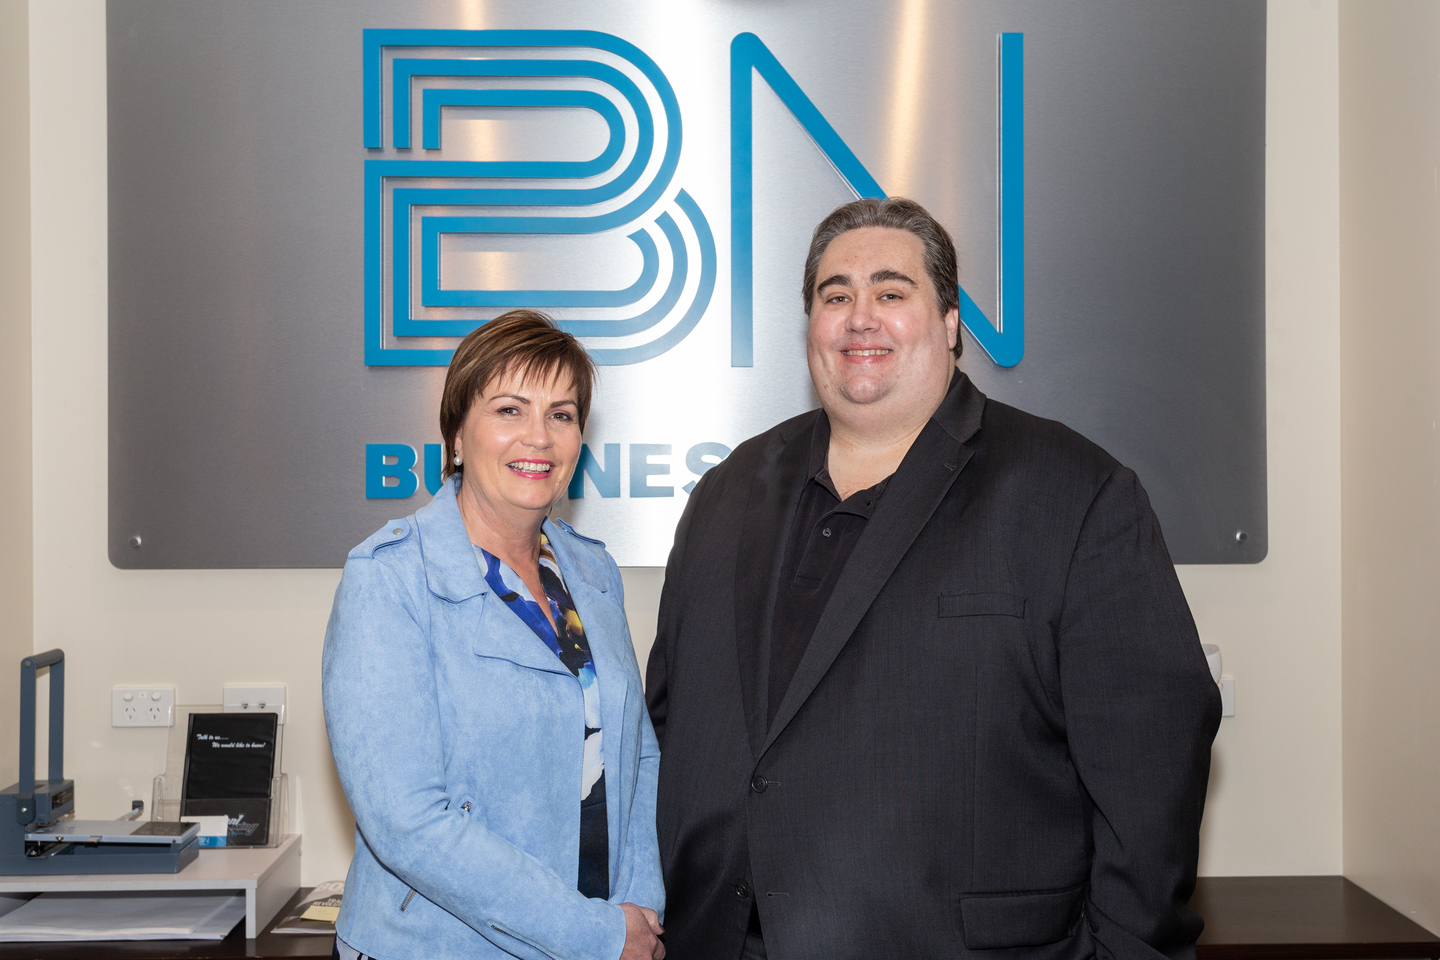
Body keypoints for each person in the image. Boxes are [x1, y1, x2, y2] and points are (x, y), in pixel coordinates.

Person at [646, 198, 1221, 960]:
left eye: (891, 292)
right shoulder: (726, 493)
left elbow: (1151, 773)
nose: (860, 318)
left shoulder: (1075, 494)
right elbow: (671, 726)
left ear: (950, 323)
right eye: (835, 296)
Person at [324, 310, 665, 960]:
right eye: (510, 410)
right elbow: (409, 824)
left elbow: (637, 755)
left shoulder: (591, 570)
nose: (539, 437)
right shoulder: (390, 578)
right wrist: (594, 935)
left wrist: (640, 912)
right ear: (456, 434)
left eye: (561, 414)